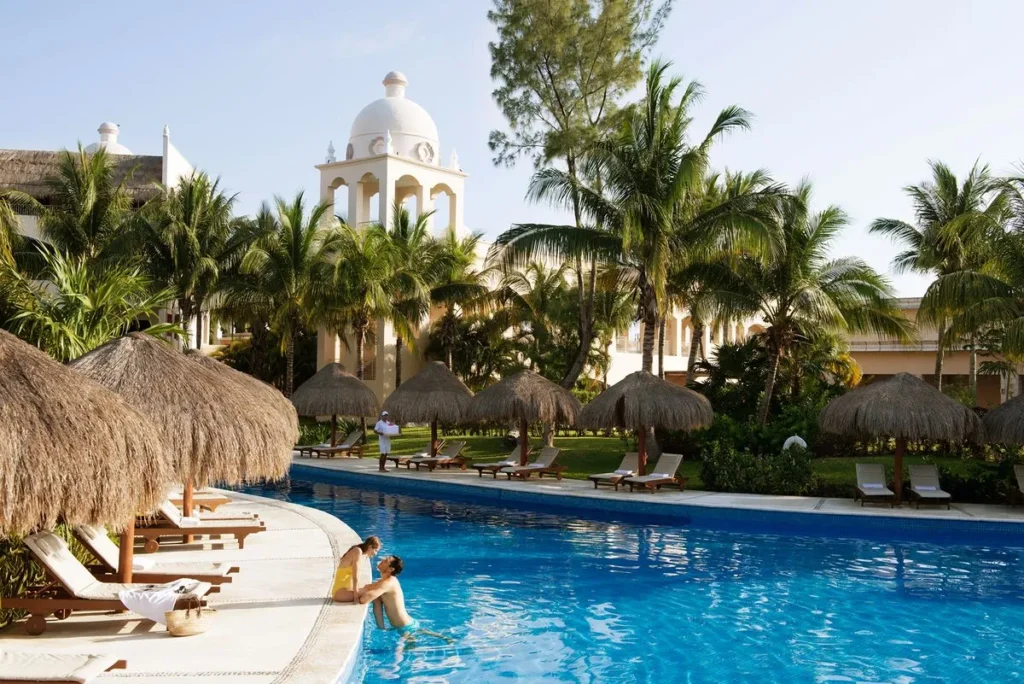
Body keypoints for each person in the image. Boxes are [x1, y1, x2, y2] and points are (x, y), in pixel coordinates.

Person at [358, 556, 451, 642]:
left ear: (391, 569)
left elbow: (364, 599)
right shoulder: (385, 582)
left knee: (403, 652)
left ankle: (446, 639)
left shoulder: (388, 583)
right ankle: (445, 638)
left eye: (385, 561)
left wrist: (363, 592)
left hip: (405, 626)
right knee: (420, 633)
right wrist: (381, 628)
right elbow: (375, 600)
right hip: (408, 622)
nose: (382, 561)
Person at [332, 535, 381, 604]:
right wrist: (356, 598)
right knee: (374, 592)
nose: (376, 553)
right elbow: (355, 577)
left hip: (343, 591)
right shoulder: (357, 551)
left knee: (372, 589)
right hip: (340, 593)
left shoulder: (358, 551)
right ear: (370, 547)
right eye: (376, 550)